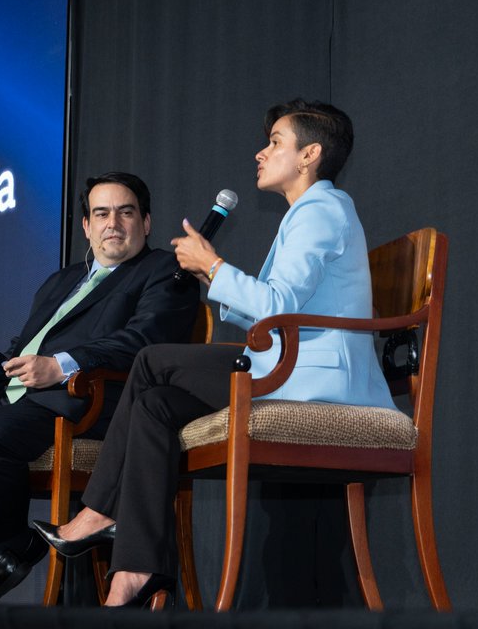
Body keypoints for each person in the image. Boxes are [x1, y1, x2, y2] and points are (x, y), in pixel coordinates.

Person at [30, 100, 396, 607]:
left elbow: (277, 307)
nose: (261, 153)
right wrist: (213, 276)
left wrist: (217, 266)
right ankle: (134, 571)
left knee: (153, 360)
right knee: (156, 405)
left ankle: (97, 513)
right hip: (284, 364)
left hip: (313, 378)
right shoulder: (310, 213)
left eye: (275, 142)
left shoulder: (321, 211)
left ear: (310, 154)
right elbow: (271, 317)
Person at [0, 172, 200, 603]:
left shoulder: (164, 270)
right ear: (87, 227)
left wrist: (62, 366)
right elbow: (23, 347)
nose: (114, 223)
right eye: (101, 214)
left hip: (85, 403)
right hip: (14, 398)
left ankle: (2, 548)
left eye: (126, 213)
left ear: (145, 223)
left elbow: (144, 340)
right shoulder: (61, 281)